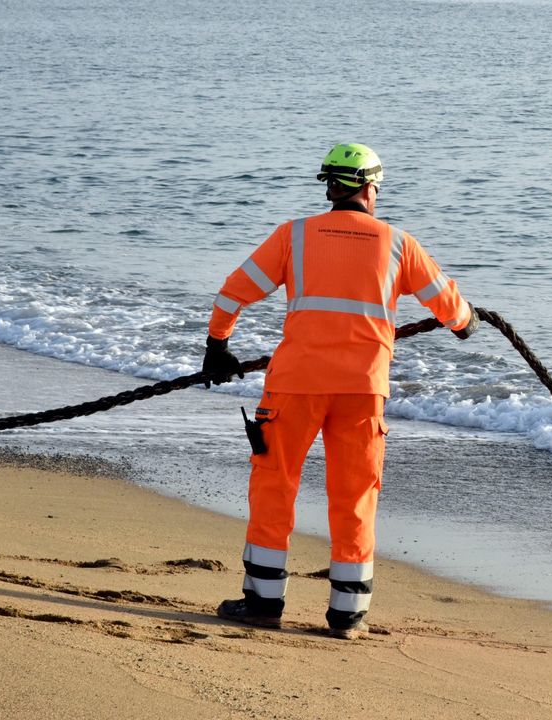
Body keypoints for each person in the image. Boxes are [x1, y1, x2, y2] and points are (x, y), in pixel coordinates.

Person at [201, 142, 478, 640]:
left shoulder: (295, 236)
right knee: (354, 497)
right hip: (362, 392)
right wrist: (468, 322)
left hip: (294, 387)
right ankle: (348, 616)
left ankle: (264, 602)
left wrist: (217, 346)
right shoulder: (398, 244)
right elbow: (455, 315)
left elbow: (233, 292)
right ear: (372, 187)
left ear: (329, 186)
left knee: (274, 486)